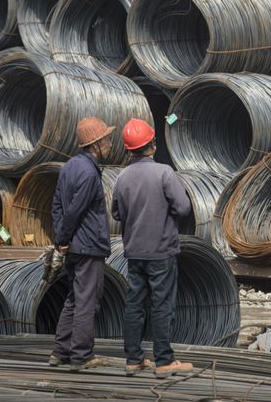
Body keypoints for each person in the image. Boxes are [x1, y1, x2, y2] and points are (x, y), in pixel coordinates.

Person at [112, 118, 194, 378]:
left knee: (134, 304)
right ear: (152, 145)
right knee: (162, 305)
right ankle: (163, 361)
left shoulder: (122, 176)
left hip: (134, 251)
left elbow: (115, 212)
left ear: (129, 150)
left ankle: (133, 360)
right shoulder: (164, 172)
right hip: (161, 251)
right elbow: (182, 208)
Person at [49, 116, 113, 371]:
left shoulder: (69, 167)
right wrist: (63, 239)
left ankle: (60, 352)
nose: (110, 144)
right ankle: (82, 355)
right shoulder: (89, 172)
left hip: (75, 247)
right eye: (107, 139)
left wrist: (62, 241)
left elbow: (57, 205)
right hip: (88, 246)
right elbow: (75, 210)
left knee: (74, 298)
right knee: (87, 300)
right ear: (95, 144)